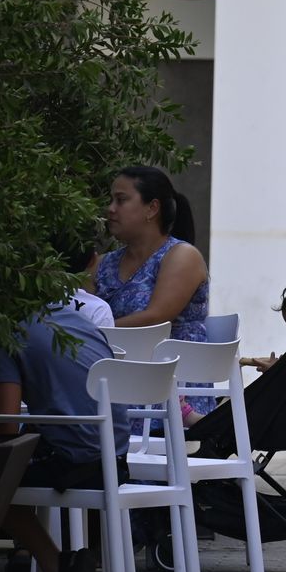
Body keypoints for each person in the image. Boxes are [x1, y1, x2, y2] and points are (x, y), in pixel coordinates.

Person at [0, 280, 131, 572]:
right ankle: (60, 571)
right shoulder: (77, 319)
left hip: (73, 461)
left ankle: (56, 570)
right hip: (115, 457)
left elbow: (4, 428)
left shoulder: (10, 332)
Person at [95, 165, 211, 422]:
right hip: (115, 383)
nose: (110, 209)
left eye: (121, 200)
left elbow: (157, 316)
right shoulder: (102, 264)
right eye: (111, 200)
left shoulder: (181, 256)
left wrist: (92, 334)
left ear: (152, 208)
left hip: (172, 392)